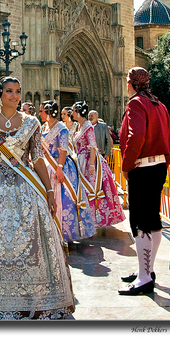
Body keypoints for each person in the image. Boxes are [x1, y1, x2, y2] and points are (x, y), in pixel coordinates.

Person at [0, 76, 75, 320]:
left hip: (26, 187)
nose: (15, 96)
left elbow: (37, 159)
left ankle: (30, 296)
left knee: (28, 242)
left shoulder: (31, 123)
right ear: (0, 94)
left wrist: (50, 191)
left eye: (18, 91)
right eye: (9, 91)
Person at [118, 67, 170, 296]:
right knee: (153, 219)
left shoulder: (136, 103)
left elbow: (136, 136)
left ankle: (143, 277)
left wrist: (126, 165)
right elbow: (167, 137)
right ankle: (147, 270)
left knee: (140, 222)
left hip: (142, 167)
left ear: (131, 83)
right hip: (158, 166)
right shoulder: (160, 105)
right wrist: (165, 162)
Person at [39, 100, 95, 243]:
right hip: (45, 167)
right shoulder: (43, 128)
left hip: (60, 167)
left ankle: (63, 233)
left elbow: (63, 150)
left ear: (49, 112)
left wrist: (59, 168)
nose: (39, 114)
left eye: (41, 111)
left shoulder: (61, 128)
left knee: (64, 199)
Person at [71, 101, 125, 228]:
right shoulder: (79, 126)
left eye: (73, 110)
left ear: (79, 112)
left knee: (92, 189)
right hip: (81, 160)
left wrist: (91, 165)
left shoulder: (87, 126)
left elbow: (93, 146)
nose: (71, 113)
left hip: (89, 161)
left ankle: (94, 219)